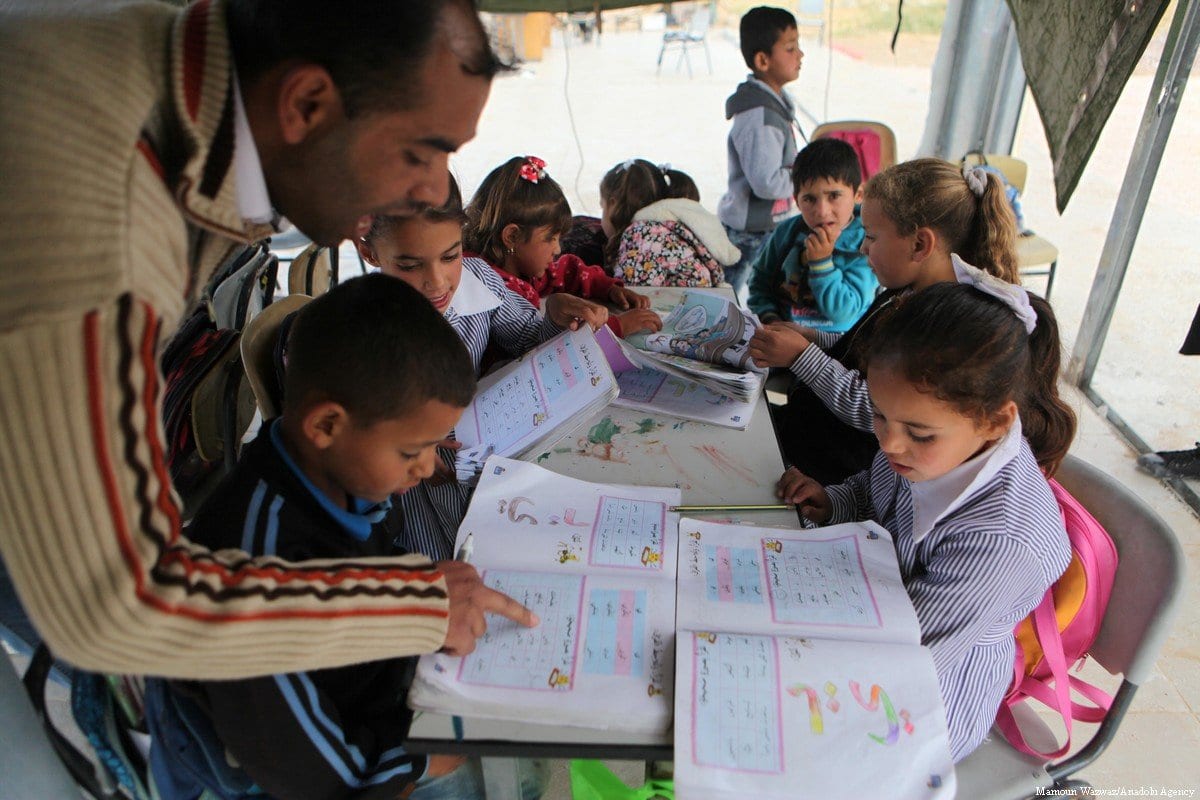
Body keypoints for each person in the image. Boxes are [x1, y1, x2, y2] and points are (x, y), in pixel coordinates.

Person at [0, 0, 535, 678]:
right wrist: (417, 608)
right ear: (307, 103)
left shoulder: (179, 77)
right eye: (418, 152)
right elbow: (114, 602)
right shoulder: (100, 223)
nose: (428, 191)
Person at [144, 275, 546, 800]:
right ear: (327, 425)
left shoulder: (333, 476)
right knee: (508, 773)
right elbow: (320, 776)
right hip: (292, 773)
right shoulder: (256, 560)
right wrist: (419, 759)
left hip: (357, 696)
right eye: (412, 451)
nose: (428, 468)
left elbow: (371, 569)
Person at [777, 273, 1075, 761]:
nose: (890, 443)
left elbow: (904, 658)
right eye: (878, 416)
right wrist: (836, 501)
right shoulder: (934, 448)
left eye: (918, 432)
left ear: (997, 421)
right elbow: (877, 487)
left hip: (922, 705)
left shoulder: (1001, 543)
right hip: (864, 613)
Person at [357, 177, 600, 559]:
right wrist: (401, 443)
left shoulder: (479, 279)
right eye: (409, 264)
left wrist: (552, 318)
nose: (437, 283)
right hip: (418, 486)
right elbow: (344, 428)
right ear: (369, 252)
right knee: (472, 561)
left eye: (450, 256)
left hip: (495, 452)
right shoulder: (360, 330)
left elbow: (526, 337)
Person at [749, 158, 1021, 485]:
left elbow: (877, 410)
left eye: (871, 236)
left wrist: (801, 357)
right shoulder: (902, 291)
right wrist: (810, 337)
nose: (863, 247)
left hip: (832, 474)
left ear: (920, 244)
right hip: (806, 436)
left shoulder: (944, 326)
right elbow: (860, 349)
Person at [464, 155, 660, 338]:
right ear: (512, 236)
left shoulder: (519, 268)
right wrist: (616, 327)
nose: (557, 249)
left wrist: (608, 288)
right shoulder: (488, 288)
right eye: (550, 238)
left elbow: (566, 271)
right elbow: (538, 346)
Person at [717, 6, 804, 299]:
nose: (800, 55)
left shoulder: (774, 104)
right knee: (728, 291)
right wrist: (804, 177)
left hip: (764, 224)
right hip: (748, 231)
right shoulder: (758, 117)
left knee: (756, 288)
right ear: (763, 60)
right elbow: (766, 182)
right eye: (791, 48)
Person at [746, 138, 875, 332]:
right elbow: (759, 283)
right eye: (809, 199)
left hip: (839, 347)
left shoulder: (867, 242)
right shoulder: (787, 233)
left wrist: (821, 263)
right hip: (784, 339)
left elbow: (844, 311)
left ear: (858, 195)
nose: (822, 211)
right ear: (797, 201)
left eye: (834, 196)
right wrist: (770, 318)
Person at [601, 159, 741, 288]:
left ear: (613, 204)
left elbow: (631, 301)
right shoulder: (674, 225)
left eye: (602, 206)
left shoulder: (643, 234)